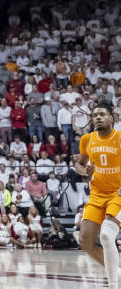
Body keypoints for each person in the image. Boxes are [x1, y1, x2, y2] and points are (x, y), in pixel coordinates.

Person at [75, 100, 121, 288]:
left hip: (117, 195)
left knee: (107, 236)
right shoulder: (87, 139)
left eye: (102, 114)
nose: (98, 118)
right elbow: (79, 163)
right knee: (85, 241)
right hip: (96, 195)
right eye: (95, 115)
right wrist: (83, 170)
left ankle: (114, 284)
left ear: (111, 117)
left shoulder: (119, 137)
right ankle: (117, 271)